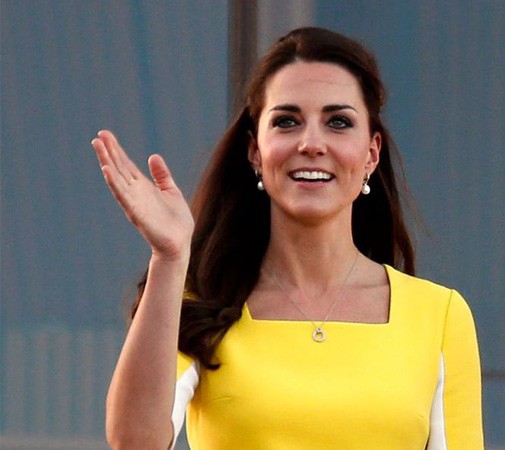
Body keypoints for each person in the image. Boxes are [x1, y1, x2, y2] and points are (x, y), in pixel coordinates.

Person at [94, 27, 483, 449]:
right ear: (255, 152)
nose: (311, 143)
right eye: (287, 122)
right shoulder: (200, 303)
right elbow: (135, 441)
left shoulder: (439, 315)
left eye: (338, 122)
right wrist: (169, 258)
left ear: (372, 153)